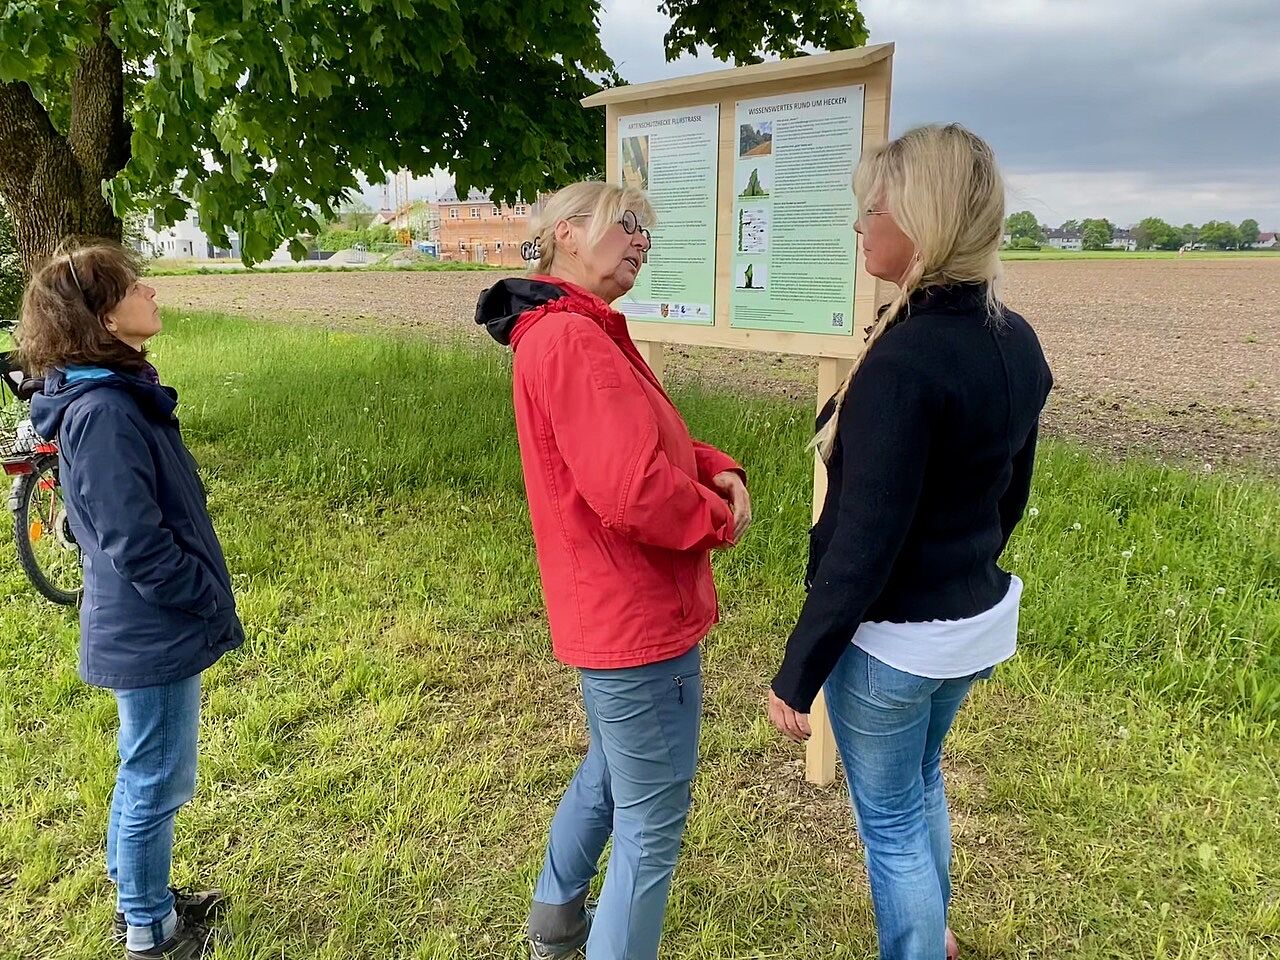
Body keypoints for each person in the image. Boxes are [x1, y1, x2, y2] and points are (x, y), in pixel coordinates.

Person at [766, 125, 1053, 960]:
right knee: (920, 783)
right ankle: (938, 935)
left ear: (919, 226)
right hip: (972, 621)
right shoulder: (1014, 337)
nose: (861, 226)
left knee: (888, 820)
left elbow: (864, 543)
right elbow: (1012, 497)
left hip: (893, 642)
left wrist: (798, 672)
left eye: (873, 209)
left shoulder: (905, 363)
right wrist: (962, 563)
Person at [475, 181, 750, 960]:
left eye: (645, 230)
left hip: (611, 610)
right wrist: (718, 516)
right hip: (635, 617)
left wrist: (714, 465)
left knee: (611, 768)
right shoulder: (572, 340)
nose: (641, 240)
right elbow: (633, 490)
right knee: (652, 823)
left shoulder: (573, 330)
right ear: (567, 233)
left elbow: (645, 445)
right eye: (626, 224)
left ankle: (556, 920)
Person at [20, 241, 244, 960]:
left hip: (143, 624)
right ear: (104, 320)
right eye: (132, 286)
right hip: (153, 627)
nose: (150, 290)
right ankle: (150, 932)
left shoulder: (111, 396)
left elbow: (93, 517)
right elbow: (135, 542)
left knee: (143, 766)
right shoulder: (107, 410)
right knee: (157, 776)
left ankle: (137, 895)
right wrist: (204, 597)